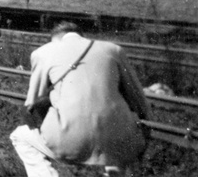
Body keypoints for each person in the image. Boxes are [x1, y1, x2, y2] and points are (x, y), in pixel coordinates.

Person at [10, 21, 150, 177]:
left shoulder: (43, 53)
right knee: (115, 145)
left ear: (55, 39)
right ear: (82, 36)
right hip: (120, 138)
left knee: (20, 136)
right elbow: (139, 100)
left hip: (70, 140)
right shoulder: (114, 50)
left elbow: (31, 103)